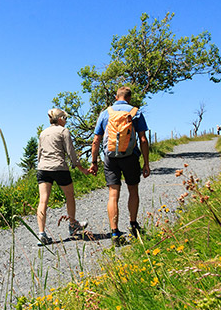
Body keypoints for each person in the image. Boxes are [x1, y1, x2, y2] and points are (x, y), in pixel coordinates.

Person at [89, 86, 150, 245]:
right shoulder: (135, 112)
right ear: (129, 98)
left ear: (117, 97)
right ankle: (133, 225)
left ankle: (115, 233)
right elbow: (143, 139)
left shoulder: (105, 113)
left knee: (113, 194)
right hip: (131, 157)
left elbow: (96, 140)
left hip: (110, 158)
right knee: (133, 190)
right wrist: (146, 164)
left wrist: (94, 162)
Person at [36, 108, 90, 245]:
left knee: (43, 201)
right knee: (69, 195)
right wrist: (81, 168)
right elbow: (71, 153)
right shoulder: (63, 131)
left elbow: (39, 154)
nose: (66, 121)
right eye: (65, 118)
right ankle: (72, 224)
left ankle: (41, 233)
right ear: (60, 119)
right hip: (59, 167)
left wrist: (42, 165)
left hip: (43, 168)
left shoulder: (43, 133)